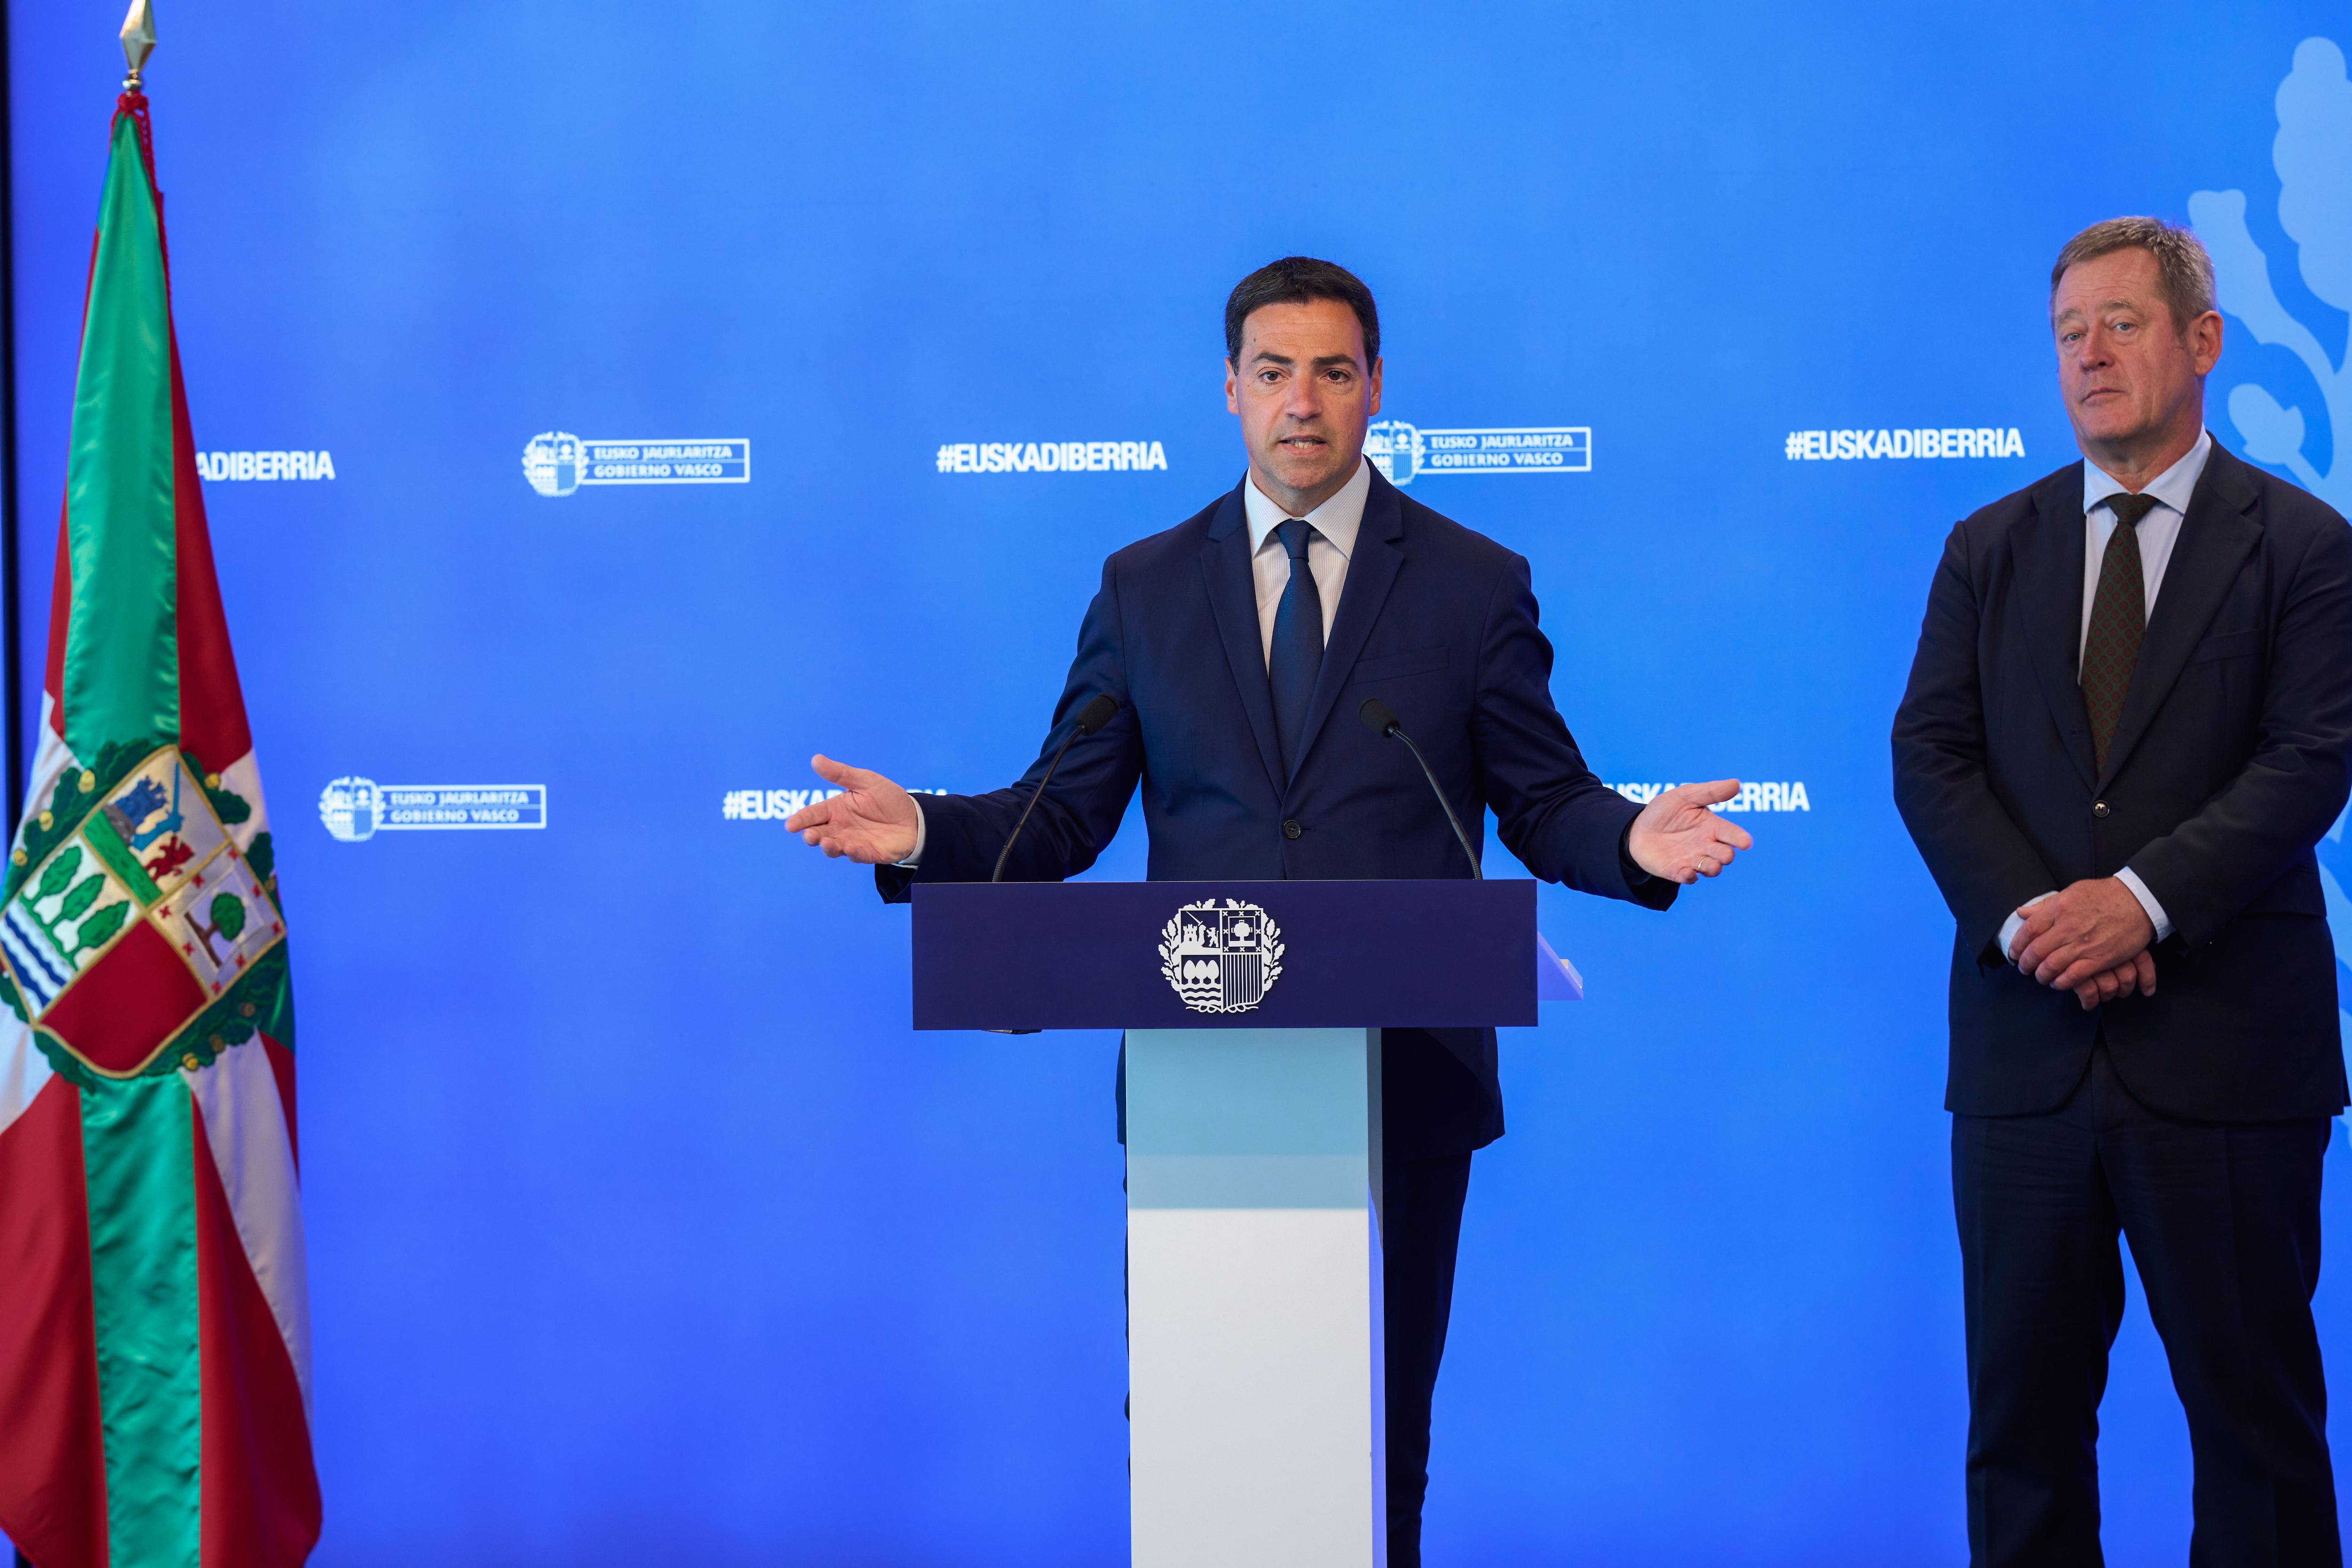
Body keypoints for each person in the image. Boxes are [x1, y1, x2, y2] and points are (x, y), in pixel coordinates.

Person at [787, 256, 1751, 1563]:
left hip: (1402, 1086)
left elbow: (1542, 795)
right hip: (1206, 1090)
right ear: (1230, 393)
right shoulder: (1144, 586)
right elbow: (1063, 813)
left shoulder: (1472, 583)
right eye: (1274, 371)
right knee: (1209, 1460)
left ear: (1376, 393)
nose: (1304, 401)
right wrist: (929, 835)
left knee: (1371, 1458)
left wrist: (1629, 838)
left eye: (1334, 372)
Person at [1892, 217, 2352, 1565]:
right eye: (2068, 333)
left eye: (2123, 324)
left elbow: (2310, 763)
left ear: (2202, 342)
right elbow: (1929, 752)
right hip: (2027, 1065)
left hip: (2227, 1064)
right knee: (2021, 1437)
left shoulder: (2306, 548)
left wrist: (2140, 904)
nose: (2090, 356)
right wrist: (2042, 921)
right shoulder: (1991, 545)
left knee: (2257, 1436)